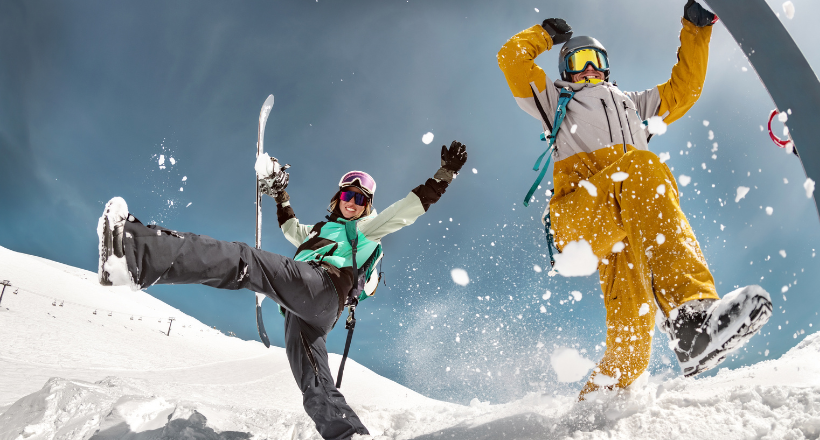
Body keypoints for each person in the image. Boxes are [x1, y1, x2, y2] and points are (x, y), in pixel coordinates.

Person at [97, 141, 468, 439]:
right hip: (304, 314)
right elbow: (291, 229)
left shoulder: (367, 229)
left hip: (322, 288)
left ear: (368, 206)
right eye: (346, 195)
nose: (352, 203)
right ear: (337, 198)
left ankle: (134, 253)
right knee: (315, 384)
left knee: (246, 261)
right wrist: (280, 195)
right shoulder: (320, 230)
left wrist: (444, 174)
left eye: (360, 199)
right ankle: (348, 434)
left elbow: (408, 208)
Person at [497, 1, 772, 399]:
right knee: (641, 167)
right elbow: (511, 59)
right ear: (566, 71)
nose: (588, 69)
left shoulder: (633, 105)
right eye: (578, 62)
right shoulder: (555, 99)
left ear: (607, 66)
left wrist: (696, 31)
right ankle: (691, 317)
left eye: (596, 60)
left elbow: (684, 90)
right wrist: (543, 34)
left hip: (625, 222)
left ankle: (595, 408)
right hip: (579, 213)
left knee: (633, 337)